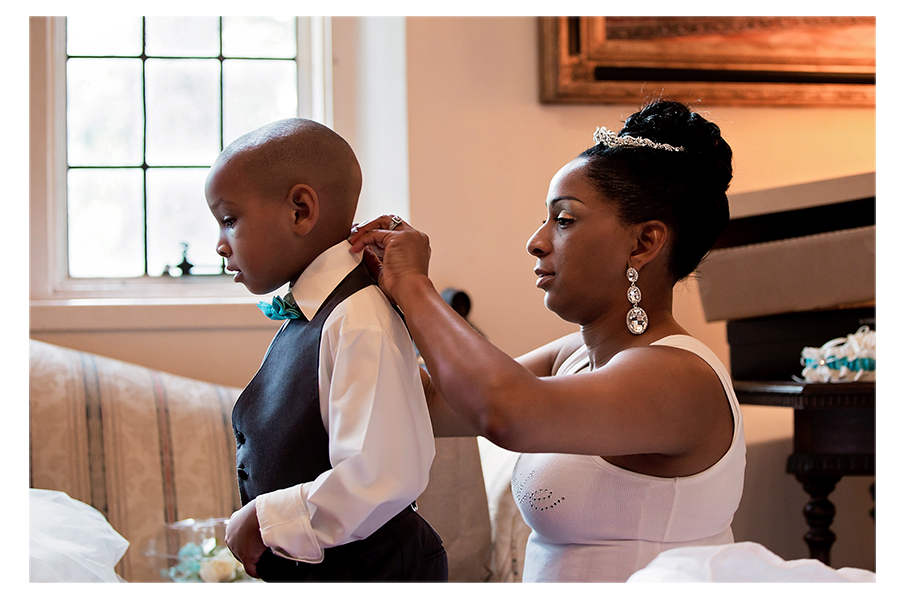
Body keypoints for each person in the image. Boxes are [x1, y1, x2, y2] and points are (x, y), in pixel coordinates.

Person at [349, 99, 745, 583]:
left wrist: (415, 287)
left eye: (564, 219)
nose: (536, 241)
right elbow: (428, 400)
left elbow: (505, 411)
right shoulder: (573, 355)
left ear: (643, 243)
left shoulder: (679, 376)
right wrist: (355, 301)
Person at [206, 118, 448, 581]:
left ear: (300, 209)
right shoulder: (317, 314)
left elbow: (380, 475)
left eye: (229, 220)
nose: (220, 245)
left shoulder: (357, 317)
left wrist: (263, 518)